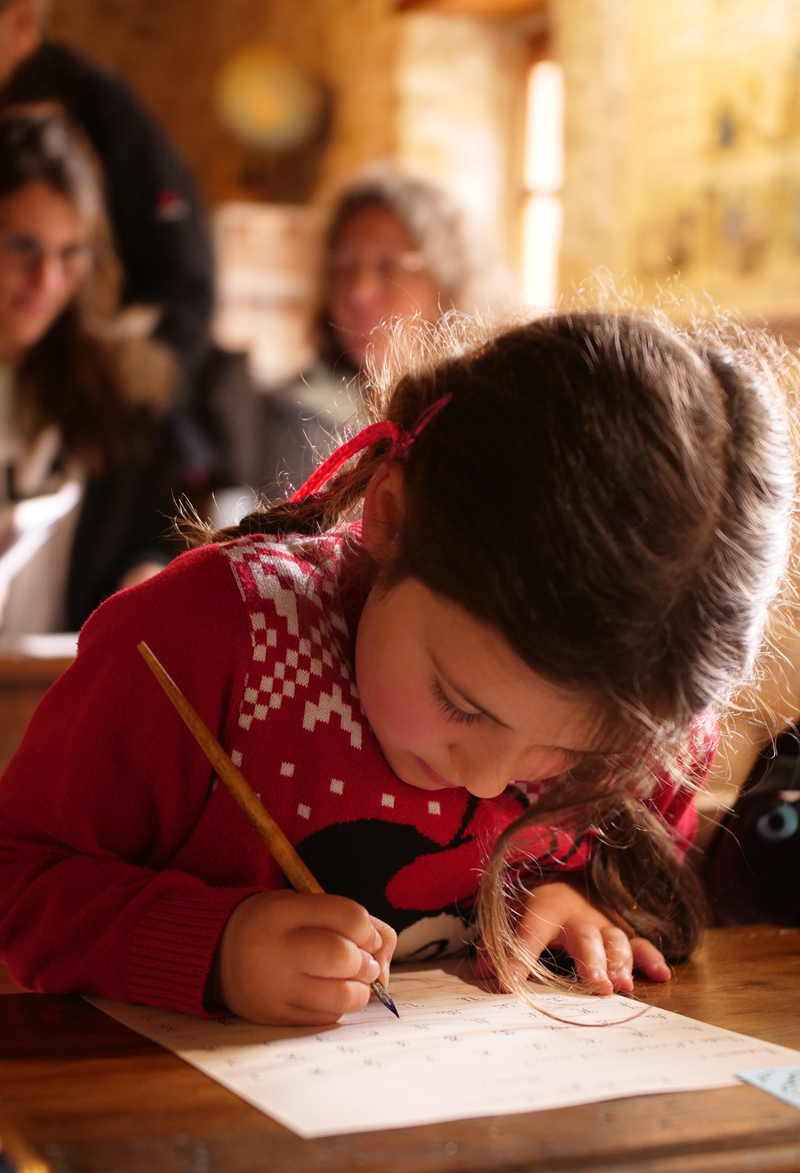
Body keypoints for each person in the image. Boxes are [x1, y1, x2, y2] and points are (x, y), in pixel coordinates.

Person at [0, 311, 791, 1026]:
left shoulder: (651, 708)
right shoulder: (212, 641)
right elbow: (18, 878)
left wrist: (587, 899)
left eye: (573, 756)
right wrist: (215, 949)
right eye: (459, 702)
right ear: (389, 514)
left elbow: (649, 875)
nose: (489, 780)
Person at [0, 108, 183, 631]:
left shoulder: (118, 392)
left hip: (53, 688)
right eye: (22, 246)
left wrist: (148, 575)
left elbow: (158, 529)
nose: (47, 279)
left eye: (70, 254)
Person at [0, 0, 213, 374]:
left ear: (22, 18)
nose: (48, 276)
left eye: (70, 254)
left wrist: (127, 382)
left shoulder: (97, 112)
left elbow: (185, 283)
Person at [256, 167, 490, 502]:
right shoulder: (301, 415)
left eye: (388, 266)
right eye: (343, 268)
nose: (359, 291)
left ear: (447, 281)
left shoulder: (479, 416)